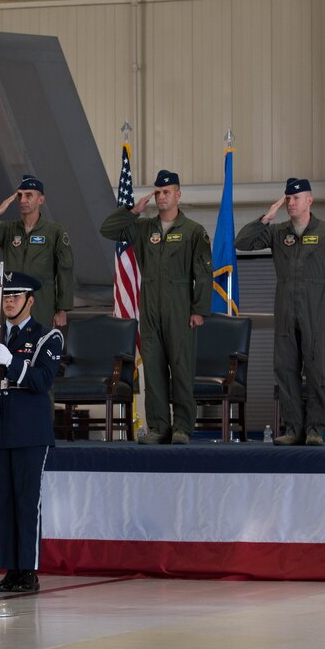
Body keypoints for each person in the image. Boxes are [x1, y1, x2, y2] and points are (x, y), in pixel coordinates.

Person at [99, 169, 212, 444]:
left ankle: (183, 427)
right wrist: (133, 211)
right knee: (153, 369)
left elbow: (204, 273)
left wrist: (199, 309)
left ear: (178, 195)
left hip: (180, 308)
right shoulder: (142, 228)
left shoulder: (193, 231)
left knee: (181, 369)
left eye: (167, 192)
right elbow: (107, 229)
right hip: (149, 307)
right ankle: (159, 427)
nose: (162, 197)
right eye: (158, 192)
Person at [235, 178, 325, 445]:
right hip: (285, 306)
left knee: (317, 369)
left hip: (315, 307)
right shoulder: (277, 232)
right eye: (287, 198)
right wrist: (266, 217)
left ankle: (315, 429)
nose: (290, 202)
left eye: (296, 198)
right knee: (285, 369)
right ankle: (293, 428)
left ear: (310, 200)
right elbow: (242, 242)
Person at [0, 272, 63, 593]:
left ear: (30, 300)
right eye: (5, 296)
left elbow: (41, 381)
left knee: (26, 502)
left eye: (16, 296)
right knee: (3, 502)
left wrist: (13, 363)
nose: (9, 302)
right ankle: (11, 568)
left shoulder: (46, 337)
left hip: (30, 429)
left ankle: (28, 570)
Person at [0, 174, 74, 329]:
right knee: (11, 349)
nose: (23, 200)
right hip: (12, 305)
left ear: (40, 199)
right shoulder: (7, 229)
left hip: (41, 304)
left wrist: (62, 309)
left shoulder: (54, 232)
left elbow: (65, 270)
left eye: (29, 195)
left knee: (40, 346)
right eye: (20, 196)